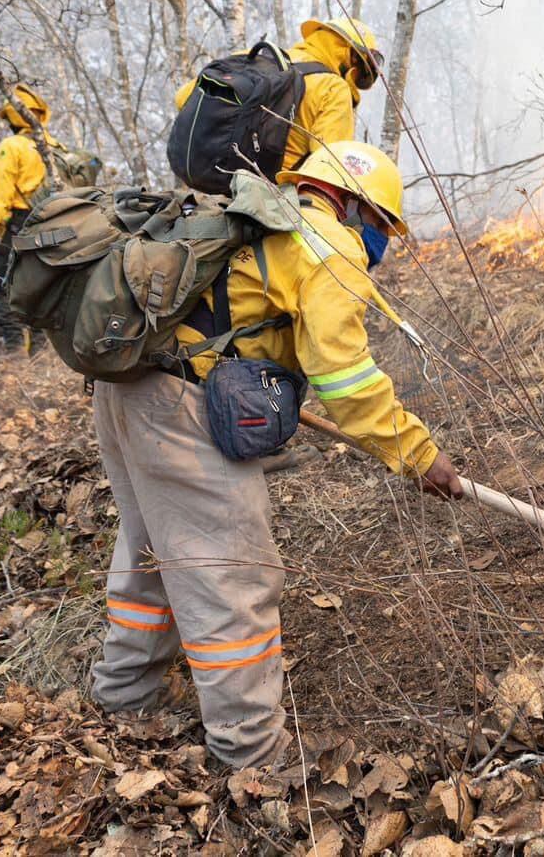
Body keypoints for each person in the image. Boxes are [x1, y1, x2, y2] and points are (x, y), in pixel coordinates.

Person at [89, 140, 460, 769]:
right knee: (232, 577)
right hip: (183, 407)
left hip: (126, 389)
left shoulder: (259, 212)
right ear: (353, 204)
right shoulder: (327, 243)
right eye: (380, 225)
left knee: (153, 550)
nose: (379, 242)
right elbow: (343, 376)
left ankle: (122, 699)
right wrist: (417, 453)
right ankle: (254, 760)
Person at [173, 17, 385, 173]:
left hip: (216, 174)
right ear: (351, 57)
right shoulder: (333, 87)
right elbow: (330, 165)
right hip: (275, 198)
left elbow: (183, 97)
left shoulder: (251, 58)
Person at [0, 85, 54, 352]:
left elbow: (1, 191)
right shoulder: (53, 145)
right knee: (41, 288)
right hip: (55, 225)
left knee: (2, 284)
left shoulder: (13, 146)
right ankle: (41, 351)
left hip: (21, 224)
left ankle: (13, 350)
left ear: (15, 117)